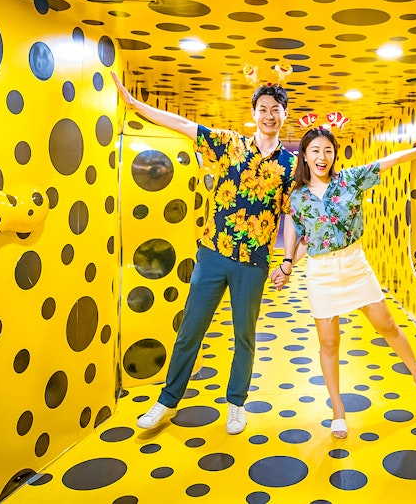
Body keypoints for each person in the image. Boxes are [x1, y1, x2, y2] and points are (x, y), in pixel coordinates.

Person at [111, 71, 296, 434]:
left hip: (254, 261)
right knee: (191, 329)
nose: (269, 115)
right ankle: (167, 400)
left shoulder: (290, 166)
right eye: (263, 109)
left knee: (245, 335)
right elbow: (183, 124)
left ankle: (236, 404)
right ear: (253, 112)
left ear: (285, 115)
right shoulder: (230, 144)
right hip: (213, 252)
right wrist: (135, 104)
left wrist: (287, 262)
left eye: (276, 109)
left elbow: (290, 217)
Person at [280, 119, 416, 439]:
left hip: (355, 264)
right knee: (329, 343)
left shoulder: (351, 180)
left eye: (328, 150)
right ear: (304, 155)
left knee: (387, 325)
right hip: (322, 272)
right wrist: (287, 265)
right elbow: (304, 238)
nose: (322, 156)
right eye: (315, 150)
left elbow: (392, 160)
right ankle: (338, 410)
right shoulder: (299, 196)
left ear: (334, 155)